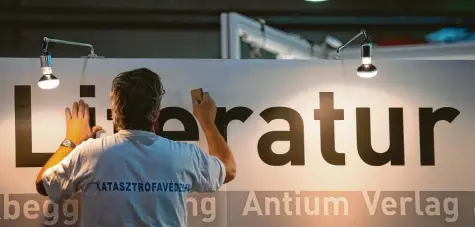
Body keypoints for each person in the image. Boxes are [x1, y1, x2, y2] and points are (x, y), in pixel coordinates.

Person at [35, 68, 236, 227]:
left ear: (114, 113)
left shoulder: (90, 153)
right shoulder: (184, 155)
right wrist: (207, 121)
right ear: (156, 114)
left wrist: (71, 139)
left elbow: (43, 184)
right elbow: (228, 169)